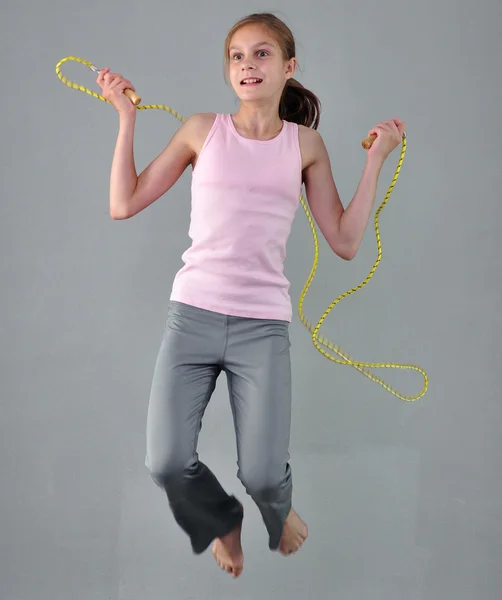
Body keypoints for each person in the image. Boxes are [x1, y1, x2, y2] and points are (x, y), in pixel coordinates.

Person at [96, 12, 405, 578]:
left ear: (288, 67)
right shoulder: (200, 130)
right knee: (164, 462)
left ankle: (276, 511)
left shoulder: (304, 144)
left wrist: (375, 161)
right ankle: (223, 521)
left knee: (264, 475)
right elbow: (124, 203)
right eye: (237, 56)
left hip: (262, 327)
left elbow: (345, 240)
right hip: (191, 318)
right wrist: (125, 117)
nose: (247, 65)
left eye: (261, 54)